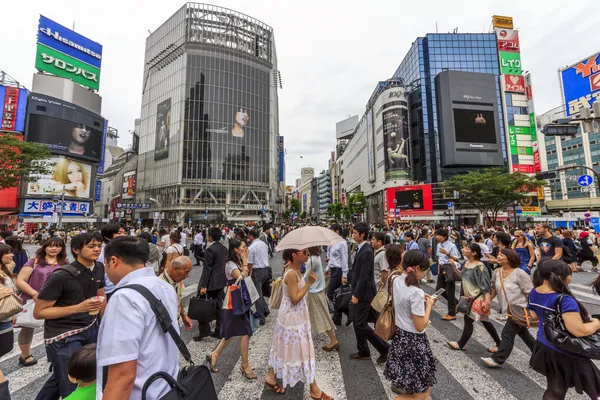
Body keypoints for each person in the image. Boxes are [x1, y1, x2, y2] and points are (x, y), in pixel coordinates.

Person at [96, 236, 180, 399]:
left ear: (113, 261)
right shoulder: (164, 286)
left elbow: (123, 376)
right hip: (166, 389)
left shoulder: (125, 297)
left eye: (105, 265)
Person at [34, 233, 105, 400]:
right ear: (76, 250)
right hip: (64, 335)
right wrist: (78, 308)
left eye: (99, 246)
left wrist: (105, 322)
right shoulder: (61, 275)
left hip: (90, 329)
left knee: (62, 378)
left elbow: (101, 293)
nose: (96, 249)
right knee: (71, 383)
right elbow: (39, 312)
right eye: (91, 246)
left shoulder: (99, 267)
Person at [265, 248, 331, 399]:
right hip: (292, 318)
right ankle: (314, 388)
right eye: (304, 252)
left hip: (294, 315)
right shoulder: (291, 273)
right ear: (294, 255)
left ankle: (271, 377)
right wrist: (308, 283)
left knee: (285, 347)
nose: (307, 254)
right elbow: (294, 299)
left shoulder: (294, 269)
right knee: (302, 350)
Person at [529, 260, 600, 399]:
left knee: (555, 389)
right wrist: (597, 323)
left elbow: (534, 316)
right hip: (567, 350)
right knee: (596, 387)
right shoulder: (564, 299)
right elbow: (578, 330)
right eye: (570, 274)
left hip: (545, 345)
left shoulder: (534, 292)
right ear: (561, 276)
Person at [384, 250, 437, 399]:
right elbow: (420, 325)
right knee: (421, 394)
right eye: (425, 270)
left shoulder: (395, 279)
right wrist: (429, 306)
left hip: (400, 338)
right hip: (414, 342)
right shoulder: (415, 292)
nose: (425, 274)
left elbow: (403, 300)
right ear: (418, 268)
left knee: (417, 388)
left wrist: (421, 298)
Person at [206, 238, 257, 379]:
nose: (245, 249)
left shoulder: (238, 262)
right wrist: (245, 261)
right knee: (244, 331)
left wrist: (245, 262)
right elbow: (241, 277)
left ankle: (214, 354)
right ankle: (245, 365)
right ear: (236, 249)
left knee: (232, 331)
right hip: (234, 301)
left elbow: (247, 274)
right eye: (243, 247)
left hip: (240, 300)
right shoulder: (230, 264)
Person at [16, 237, 69, 367]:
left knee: (56, 328)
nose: (54, 248)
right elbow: (20, 280)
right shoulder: (34, 262)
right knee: (28, 327)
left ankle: (55, 355)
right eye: (51, 246)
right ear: (44, 247)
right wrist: (34, 293)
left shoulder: (65, 263)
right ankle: (25, 354)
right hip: (33, 299)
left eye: (57, 246)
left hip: (57, 301)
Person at [481, 248, 534, 368]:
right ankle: (540, 355)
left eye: (502, 255)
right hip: (508, 309)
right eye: (498, 254)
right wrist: (487, 301)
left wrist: (533, 310)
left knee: (507, 333)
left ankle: (497, 359)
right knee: (524, 335)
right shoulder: (497, 272)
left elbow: (529, 293)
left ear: (510, 258)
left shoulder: (519, 273)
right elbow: (493, 288)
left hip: (520, 309)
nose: (498, 257)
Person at [446, 243, 501, 352]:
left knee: (473, 320)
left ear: (474, 253)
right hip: (469, 298)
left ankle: (461, 344)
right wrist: (453, 267)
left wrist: (487, 301)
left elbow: (486, 285)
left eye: (466, 248)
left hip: (477, 298)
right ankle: (499, 343)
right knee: (480, 321)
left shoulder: (480, 266)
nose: (463, 249)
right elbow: (463, 277)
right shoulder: (466, 263)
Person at [349, 222, 390, 362]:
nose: (353, 235)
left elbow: (364, 275)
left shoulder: (366, 251)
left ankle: (384, 348)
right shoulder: (361, 249)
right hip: (360, 291)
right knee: (357, 322)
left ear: (362, 235)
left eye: (355, 233)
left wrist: (356, 294)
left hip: (364, 294)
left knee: (360, 324)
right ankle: (363, 350)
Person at [196, 227, 228, 341]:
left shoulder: (210, 249)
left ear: (210, 237)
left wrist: (203, 285)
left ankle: (204, 330)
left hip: (211, 282)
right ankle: (219, 330)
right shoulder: (224, 248)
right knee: (219, 306)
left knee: (201, 303)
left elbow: (207, 268)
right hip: (221, 281)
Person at [305, 247, 339, 352]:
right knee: (308, 314)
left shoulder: (312, 260)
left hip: (314, 290)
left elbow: (306, 277)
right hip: (317, 289)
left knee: (322, 315)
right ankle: (305, 338)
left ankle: (333, 340)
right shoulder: (316, 257)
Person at [159, 256, 193, 331]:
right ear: (175, 269)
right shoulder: (159, 285)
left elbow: (178, 299)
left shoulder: (176, 280)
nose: (187, 276)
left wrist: (183, 316)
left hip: (175, 322)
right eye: (186, 272)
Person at [0, 244, 17, 399]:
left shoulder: (5, 270)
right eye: (8, 253)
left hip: (5, 317)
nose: (12, 256)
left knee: (6, 346)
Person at [435, 228, 461, 321]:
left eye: (438, 235)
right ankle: (456, 303)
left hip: (449, 267)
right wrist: (439, 269)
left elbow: (456, 258)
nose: (436, 237)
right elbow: (439, 258)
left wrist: (447, 253)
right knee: (439, 289)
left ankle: (452, 313)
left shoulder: (451, 246)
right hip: (442, 268)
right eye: (436, 235)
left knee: (450, 290)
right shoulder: (438, 245)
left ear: (444, 237)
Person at [326, 223, 349, 325]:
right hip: (333, 269)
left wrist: (344, 274)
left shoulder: (342, 243)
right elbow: (331, 258)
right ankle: (338, 317)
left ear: (337, 231)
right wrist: (327, 268)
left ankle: (341, 314)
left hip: (339, 270)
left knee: (331, 294)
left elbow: (344, 259)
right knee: (337, 294)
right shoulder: (331, 243)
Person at [247, 229, 271, 324]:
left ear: (251, 236)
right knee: (260, 293)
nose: (248, 238)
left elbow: (250, 263)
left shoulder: (251, 247)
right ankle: (265, 309)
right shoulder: (264, 244)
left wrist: (248, 274)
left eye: (249, 236)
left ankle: (261, 317)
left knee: (257, 295)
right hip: (266, 269)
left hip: (257, 271)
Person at [98, 223, 127, 300]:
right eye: (119, 233)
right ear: (107, 236)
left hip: (123, 288)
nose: (123, 235)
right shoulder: (100, 252)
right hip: (107, 291)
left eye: (124, 233)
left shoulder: (127, 250)